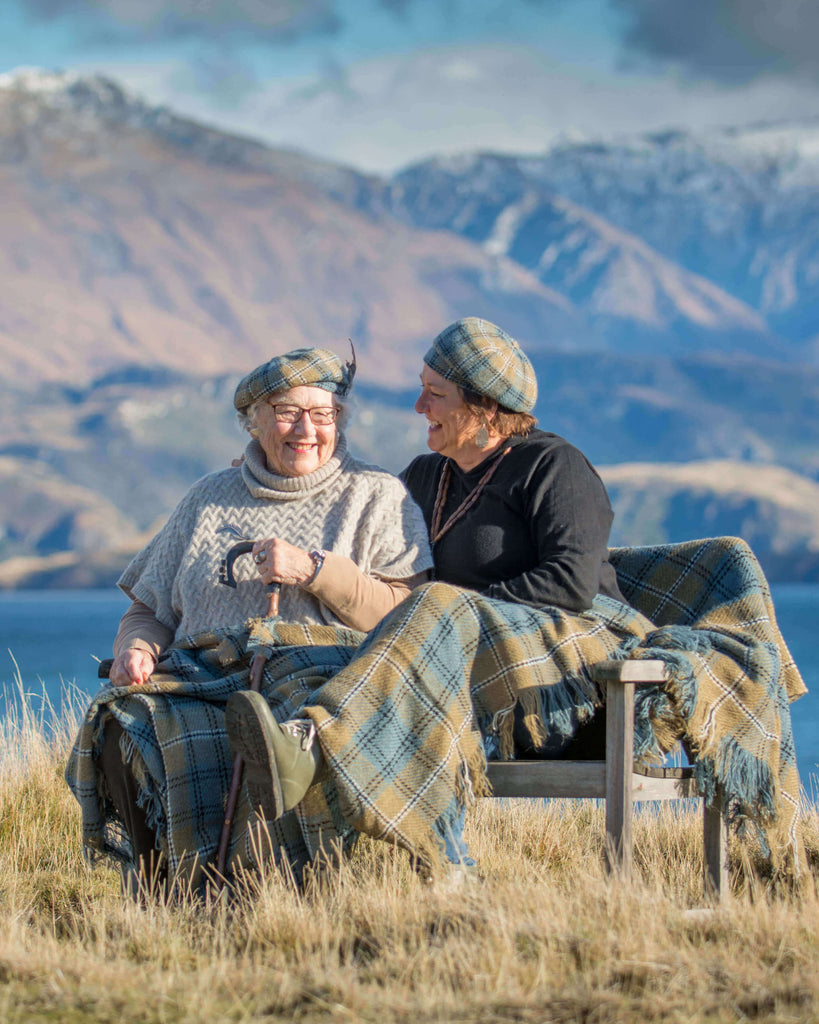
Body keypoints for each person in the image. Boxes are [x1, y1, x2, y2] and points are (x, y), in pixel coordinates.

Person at [225, 318, 806, 883]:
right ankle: (413, 848)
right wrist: (258, 473)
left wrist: (464, 611)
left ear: (484, 408)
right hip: (472, 663)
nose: (418, 407)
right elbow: (359, 518)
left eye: (434, 394)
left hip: (577, 661)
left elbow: (573, 583)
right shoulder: (426, 477)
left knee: (436, 608)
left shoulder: (554, 466)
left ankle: (313, 746)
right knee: (350, 641)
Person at [65, 346, 433, 889]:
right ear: (253, 421)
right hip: (201, 679)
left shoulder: (376, 497)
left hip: (313, 684)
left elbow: (407, 615)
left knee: (271, 733)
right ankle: (166, 891)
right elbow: (149, 608)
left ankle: (280, 890)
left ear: (340, 421)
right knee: (126, 720)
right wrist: (137, 648)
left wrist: (315, 570)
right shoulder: (209, 497)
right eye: (287, 412)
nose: (306, 429)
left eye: (324, 414)